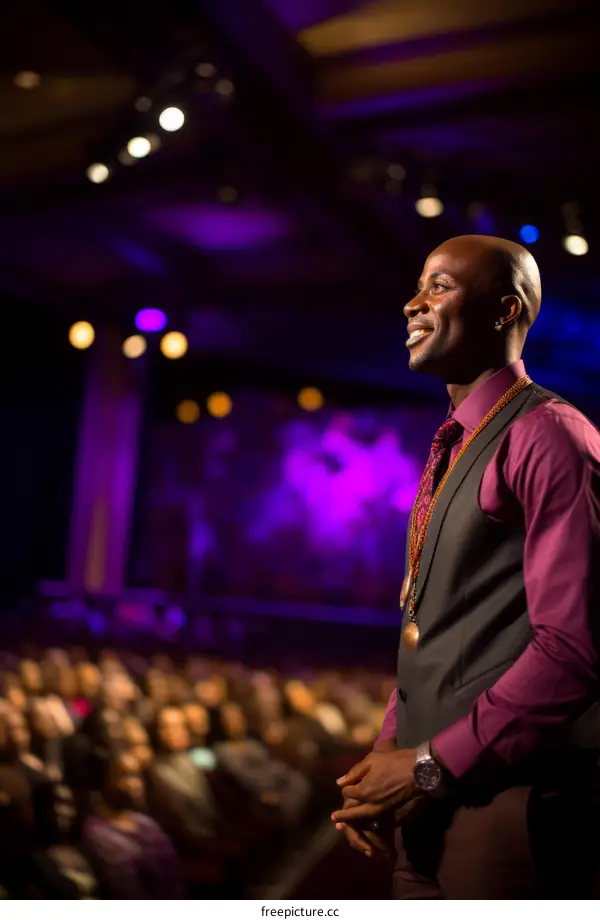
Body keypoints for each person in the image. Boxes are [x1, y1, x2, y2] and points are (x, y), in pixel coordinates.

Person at [332, 235, 600, 898]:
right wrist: (389, 759)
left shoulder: (550, 437)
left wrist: (425, 766)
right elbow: (438, 631)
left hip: (505, 813)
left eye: (440, 286)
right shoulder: (458, 440)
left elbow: (575, 647)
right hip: (433, 803)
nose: (411, 304)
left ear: (505, 310)